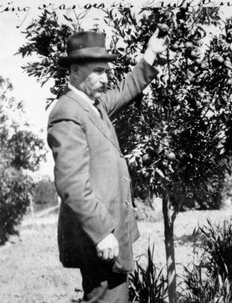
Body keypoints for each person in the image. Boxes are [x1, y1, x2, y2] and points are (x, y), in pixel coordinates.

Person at [47, 29, 167, 302]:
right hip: (99, 240)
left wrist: (150, 54)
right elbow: (71, 183)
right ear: (75, 71)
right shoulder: (67, 112)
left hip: (111, 236)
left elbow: (126, 89)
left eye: (106, 70)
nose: (106, 77)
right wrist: (101, 233)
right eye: (98, 71)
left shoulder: (93, 106)